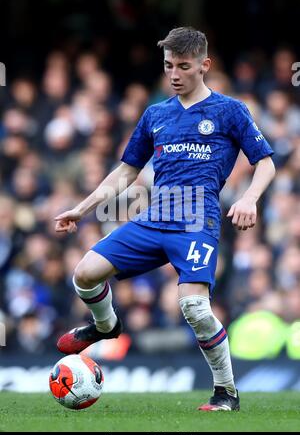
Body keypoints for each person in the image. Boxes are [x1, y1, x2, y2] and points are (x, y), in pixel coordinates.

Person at [55, 27, 275, 411]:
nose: (174, 74)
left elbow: (266, 163)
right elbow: (126, 170)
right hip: (156, 215)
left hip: (197, 219)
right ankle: (106, 326)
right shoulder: (156, 113)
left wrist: (250, 199)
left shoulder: (230, 111)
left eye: (183, 66)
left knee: (194, 308)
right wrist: (83, 208)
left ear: (204, 65)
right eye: (168, 65)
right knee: (85, 274)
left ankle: (226, 392)